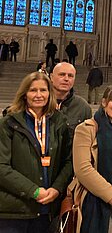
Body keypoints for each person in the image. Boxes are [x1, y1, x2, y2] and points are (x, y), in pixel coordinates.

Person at [0, 72, 73, 232]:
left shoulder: (60, 123)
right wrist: (33, 191)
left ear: (50, 93)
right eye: (33, 90)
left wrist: (57, 188)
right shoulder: (8, 124)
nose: (38, 95)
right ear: (24, 94)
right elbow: (2, 167)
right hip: (15, 211)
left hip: (47, 210)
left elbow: (69, 161)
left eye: (43, 90)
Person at [72, 85, 112, 233]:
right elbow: (83, 169)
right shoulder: (86, 129)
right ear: (104, 102)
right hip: (93, 198)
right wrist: (110, 194)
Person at [51, 62, 92, 136]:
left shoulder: (83, 107)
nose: (66, 79)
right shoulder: (41, 102)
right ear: (51, 77)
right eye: (62, 75)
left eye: (70, 76)